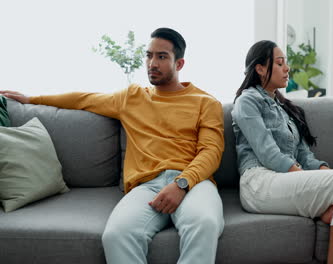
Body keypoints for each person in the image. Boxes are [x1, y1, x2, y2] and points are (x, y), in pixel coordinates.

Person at [0, 28, 225, 264]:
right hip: (146, 185)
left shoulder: (206, 102)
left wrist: (181, 184)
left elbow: (211, 151)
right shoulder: (132, 97)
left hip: (192, 182)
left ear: (179, 64)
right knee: (117, 235)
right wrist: (32, 99)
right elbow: (83, 99)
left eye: (161, 57)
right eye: (148, 55)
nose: (152, 63)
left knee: (205, 224)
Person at [232, 40, 333, 264]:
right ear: (260, 68)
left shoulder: (284, 108)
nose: (287, 68)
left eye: (285, 63)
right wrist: (318, 179)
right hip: (260, 182)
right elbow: (268, 153)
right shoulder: (247, 101)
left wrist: (324, 172)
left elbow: (305, 156)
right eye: (279, 63)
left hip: (287, 179)